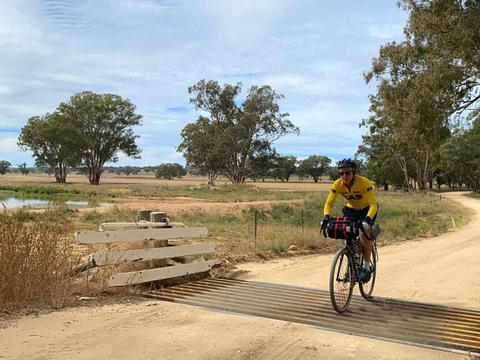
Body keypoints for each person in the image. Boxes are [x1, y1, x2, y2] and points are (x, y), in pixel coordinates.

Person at [322, 158, 378, 280]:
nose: (344, 176)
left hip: (367, 209)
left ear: (354, 172)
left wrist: (368, 220)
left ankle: (367, 266)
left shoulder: (364, 182)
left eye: (347, 173)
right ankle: (352, 263)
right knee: (346, 232)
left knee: (363, 234)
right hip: (350, 209)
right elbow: (329, 204)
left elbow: (373, 204)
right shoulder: (337, 184)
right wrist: (326, 216)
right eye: (341, 173)